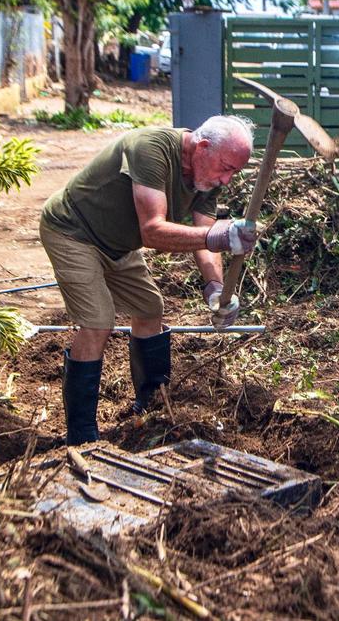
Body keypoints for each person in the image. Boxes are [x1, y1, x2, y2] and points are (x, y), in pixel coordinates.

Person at [39, 115, 257, 445]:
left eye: (234, 173)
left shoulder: (205, 180)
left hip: (117, 243)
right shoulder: (151, 150)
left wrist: (215, 289)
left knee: (150, 308)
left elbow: (207, 235)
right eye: (225, 168)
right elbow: (153, 231)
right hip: (73, 231)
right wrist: (221, 237)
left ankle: (151, 404)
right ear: (201, 147)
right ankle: (81, 434)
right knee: (99, 321)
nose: (226, 180)